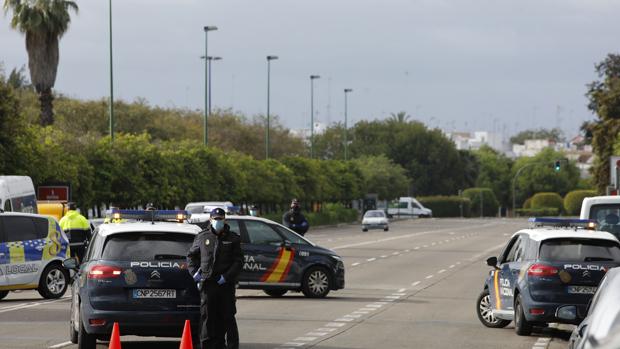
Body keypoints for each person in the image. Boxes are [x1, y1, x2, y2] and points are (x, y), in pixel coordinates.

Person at [188, 208, 243, 349]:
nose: (218, 221)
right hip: (208, 284)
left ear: (225, 220)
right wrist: (196, 275)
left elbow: (239, 261)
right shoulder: (202, 237)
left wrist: (226, 277)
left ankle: (231, 346)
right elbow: (191, 257)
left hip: (225, 285)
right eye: (215, 219)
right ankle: (207, 345)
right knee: (207, 317)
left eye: (220, 218)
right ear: (210, 220)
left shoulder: (233, 238)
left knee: (228, 317)